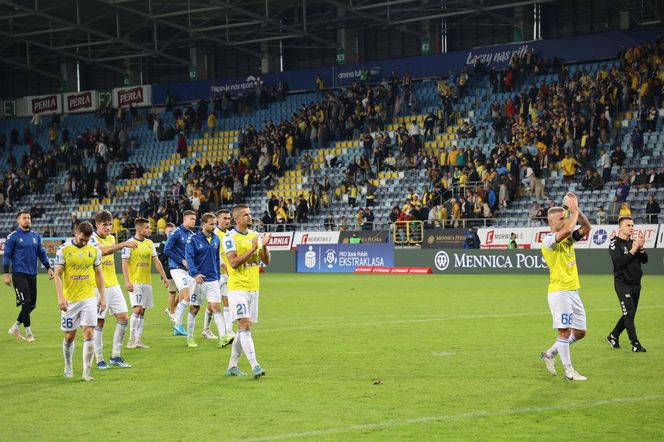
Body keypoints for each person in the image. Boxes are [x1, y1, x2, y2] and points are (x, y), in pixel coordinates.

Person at [539, 192, 591, 381]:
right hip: (559, 291)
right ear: (551, 222)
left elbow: (586, 227)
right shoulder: (548, 241)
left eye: (565, 216)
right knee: (564, 331)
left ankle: (549, 353)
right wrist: (573, 210)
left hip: (573, 290)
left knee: (580, 332)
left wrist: (577, 209)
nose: (565, 219)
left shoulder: (568, 239)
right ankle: (569, 371)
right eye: (561, 218)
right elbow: (568, 230)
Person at [222, 205, 271, 379]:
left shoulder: (255, 236)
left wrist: (263, 247)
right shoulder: (229, 238)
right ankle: (255, 365)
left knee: (242, 328)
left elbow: (267, 261)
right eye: (245, 215)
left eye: (250, 214)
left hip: (253, 288)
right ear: (237, 219)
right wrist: (251, 249)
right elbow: (233, 262)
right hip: (237, 289)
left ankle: (232, 366)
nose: (250, 217)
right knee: (246, 325)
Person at [53, 222, 106, 381]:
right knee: (69, 336)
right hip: (70, 299)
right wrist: (61, 297)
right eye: (82, 239)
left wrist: (102, 296)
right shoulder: (63, 250)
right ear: (76, 233)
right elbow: (57, 275)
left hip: (89, 297)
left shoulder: (95, 250)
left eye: (87, 240)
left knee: (89, 333)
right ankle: (68, 365)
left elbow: (98, 273)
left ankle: (86, 372)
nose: (84, 242)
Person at [89, 210, 137, 369]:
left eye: (110, 224)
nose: (108, 227)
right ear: (97, 225)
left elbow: (110, 249)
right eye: (104, 224)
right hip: (98, 287)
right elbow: (102, 252)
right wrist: (123, 244)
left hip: (114, 284)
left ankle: (116, 355)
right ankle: (99, 358)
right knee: (99, 322)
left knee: (124, 318)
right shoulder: (92, 239)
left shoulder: (110, 238)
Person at [4, 211, 54, 342]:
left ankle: (15, 327)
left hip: (32, 274)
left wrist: (48, 268)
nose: (27, 220)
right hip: (18, 274)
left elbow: (41, 253)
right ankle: (29, 333)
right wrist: (6, 274)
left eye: (29, 218)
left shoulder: (35, 236)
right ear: (18, 221)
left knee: (32, 305)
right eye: (24, 218)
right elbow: (7, 256)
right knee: (25, 302)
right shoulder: (13, 236)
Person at [121, 218, 169, 349]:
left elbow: (156, 261)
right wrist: (127, 282)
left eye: (149, 227)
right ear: (138, 229)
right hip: (135, 282)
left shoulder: (149, 243)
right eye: (146, 228)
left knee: (143, 311)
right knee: (138, 309)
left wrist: (164, 277)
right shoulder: (129, 243)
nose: (149, 230)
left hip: (147, 282)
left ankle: (138, 340)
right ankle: (131, 339)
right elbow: (124, 263)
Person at [606, 216, 647, 352]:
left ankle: (613, 335)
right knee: (629, 313)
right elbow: (619, 263)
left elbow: (645, 260)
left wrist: (641, 249)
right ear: (620, 227)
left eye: (632, 225)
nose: (631, 228)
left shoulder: (633, 243)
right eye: (628, 225)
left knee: (629, 314)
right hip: (623, 283)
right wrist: (633, 250)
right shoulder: (614, 243)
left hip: (636, 284)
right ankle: (635, 344)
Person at [183, 213, 223, 348]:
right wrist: (195, 274)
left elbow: (216, 259)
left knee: (216, 307)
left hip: (212, 278)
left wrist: (218, 275)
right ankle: (190, 337)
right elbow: (189, 258)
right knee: (194, 308)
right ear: (204, 224)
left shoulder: (216, 239)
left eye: (215, 223)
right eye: (212, 224)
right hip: (197, 279)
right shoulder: (193, 239)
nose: (214, 226)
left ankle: (223, 337)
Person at [164, 210, 197, 336]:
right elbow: (167, 249)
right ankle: (178, 324)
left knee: (185, 297)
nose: (194, 221)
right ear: (185, 219)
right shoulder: (176, 232)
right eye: (192, 219)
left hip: (188, 270)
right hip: (176, 268)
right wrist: (181, 260)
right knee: (187, 296)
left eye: (195, 219)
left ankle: (177, 326)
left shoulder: (191, 234)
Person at [210, 209, 235, 345]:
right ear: (218, 220)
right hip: (215, 274)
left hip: (227, 275)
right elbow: (216, 254)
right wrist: (225, 268)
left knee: (227, 302)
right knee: (212, 305)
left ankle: (229, 331)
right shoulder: (214, 234)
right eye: (224, 218)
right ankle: (206, 328)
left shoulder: (229, 234)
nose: (227, 221)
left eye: (229, 218)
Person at [157, 223, 178, 321]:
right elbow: (160, 259)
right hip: (168, 270)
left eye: (172, 231)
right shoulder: (163, 244)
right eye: (169, 231)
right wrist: (168, 251)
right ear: (165, 232)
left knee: (184, 292)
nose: (171, 233)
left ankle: (170, 309)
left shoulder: (177, 242)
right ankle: (173, 313)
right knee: (172, 292)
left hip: (179, 269)